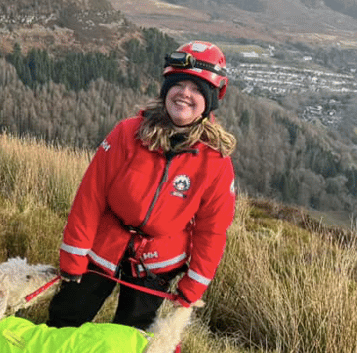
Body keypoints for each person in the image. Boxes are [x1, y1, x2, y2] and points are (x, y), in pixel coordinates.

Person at [47, 41, 237, 331]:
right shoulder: (128, 133)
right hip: (104, 243)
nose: (186, 93)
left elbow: (212, 228)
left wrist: (194, 283)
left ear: (210, 99)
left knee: (130, 337)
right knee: (67, 317)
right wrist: (74, 255)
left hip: (158, 259)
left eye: (198, 89)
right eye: (179, 84)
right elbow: (91, 194)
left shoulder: (216, 161)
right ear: (166, 89)